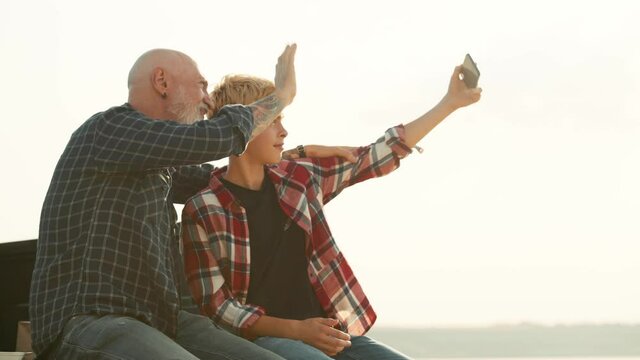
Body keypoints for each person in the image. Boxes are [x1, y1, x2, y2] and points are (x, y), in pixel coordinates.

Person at [180, 67, 482, 360]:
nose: (284, 130)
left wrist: (450, 102)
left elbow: (375, 156)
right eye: (274, 119)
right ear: (246, 125)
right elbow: (219, 307)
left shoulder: (298, 178)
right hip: (266, 341)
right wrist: (298, 331)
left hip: (331, 333)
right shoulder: (204, 209)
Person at [29, 45, 307, 359]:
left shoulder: (159, 161)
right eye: (201, 86)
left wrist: (300, 156)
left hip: (158, 320)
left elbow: (227, 180)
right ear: (162, 81)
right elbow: (214, 138)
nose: (208, 99)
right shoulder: (108, 129)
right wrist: (281, 95)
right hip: (90, 320)